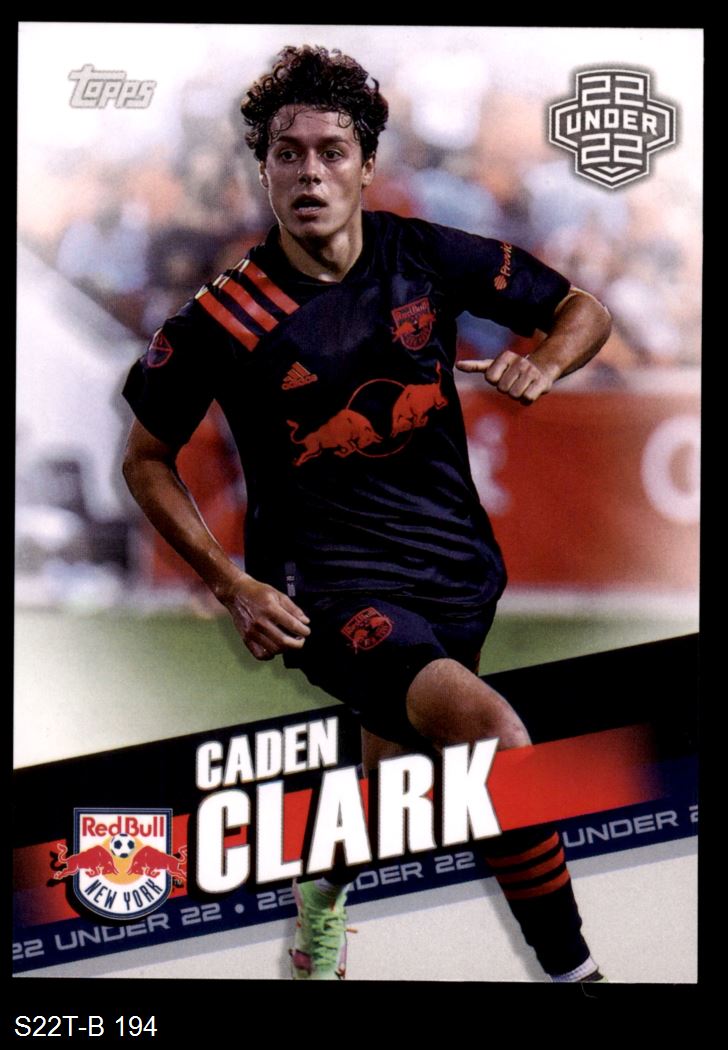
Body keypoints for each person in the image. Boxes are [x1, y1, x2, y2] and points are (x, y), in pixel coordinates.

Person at [121, 45, 612, 982]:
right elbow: (145, 458)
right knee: (494, 740)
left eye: (331, 152)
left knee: (391, 778)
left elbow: (581, 308)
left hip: (457, 570)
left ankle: (320, 895)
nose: (309, 172)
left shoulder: (421, 254)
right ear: (263, 169)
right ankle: (574, 971)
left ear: (366, 164)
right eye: (288, 153)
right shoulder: (220, 321)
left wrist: (545, 362)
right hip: (328, 590)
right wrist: (230, 583)